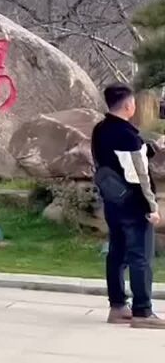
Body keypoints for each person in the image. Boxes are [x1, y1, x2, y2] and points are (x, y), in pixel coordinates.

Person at [92, 84, 165, 329]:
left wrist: (153, 147)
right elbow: (139, 175)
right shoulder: (127, 135)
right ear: (127, 105)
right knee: (140, 256)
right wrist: (152, 207)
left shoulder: (100, 130)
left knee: (117, 254)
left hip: (113, 202)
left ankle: (118, 307)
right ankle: (143, 312)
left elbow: (116, 162)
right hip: (134, 206)